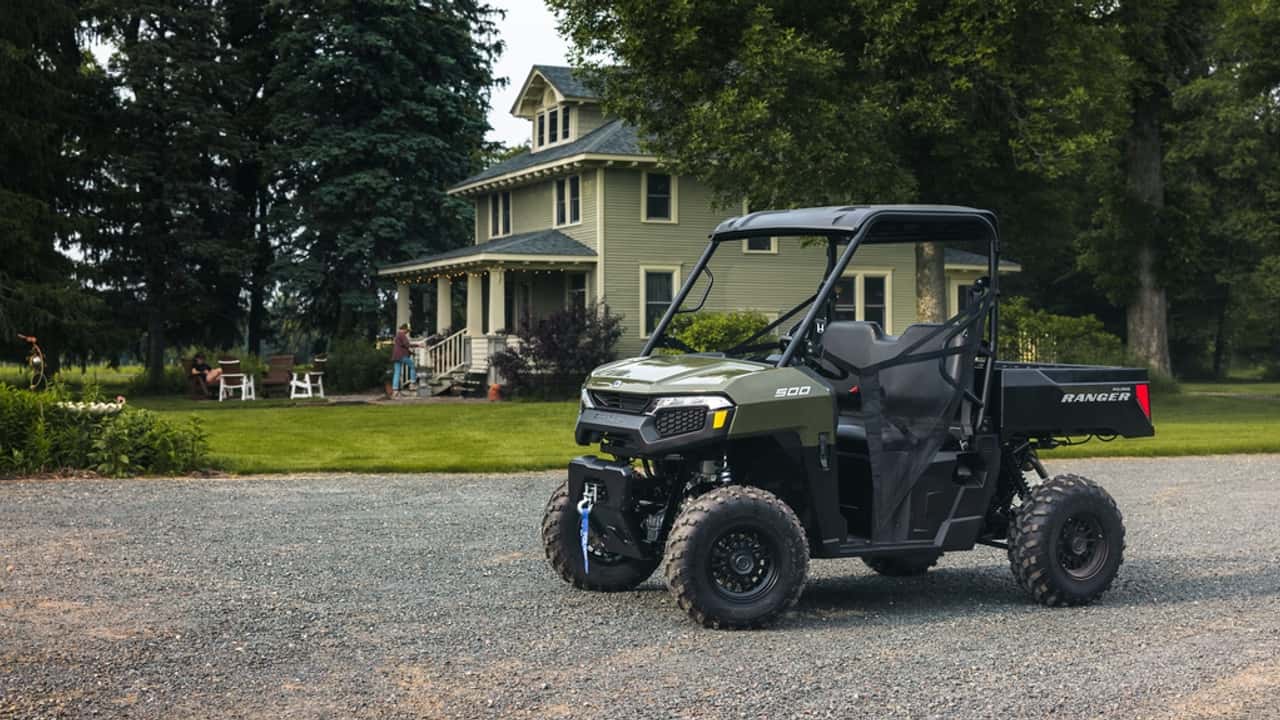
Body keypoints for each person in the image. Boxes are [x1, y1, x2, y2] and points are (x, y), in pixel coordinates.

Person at [391, 324, 420, 397]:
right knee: (412, 366)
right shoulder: (402, 334)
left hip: (396, 356)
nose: (408, 332)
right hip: (402, 355)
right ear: (405, 329)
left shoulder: (397, 335)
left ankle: (395, 390)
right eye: (408, 330)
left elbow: (402, 347)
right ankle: (412, 383)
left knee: (397, 372)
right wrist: (418, 345)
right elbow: (407, 345)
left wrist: (411, 353)